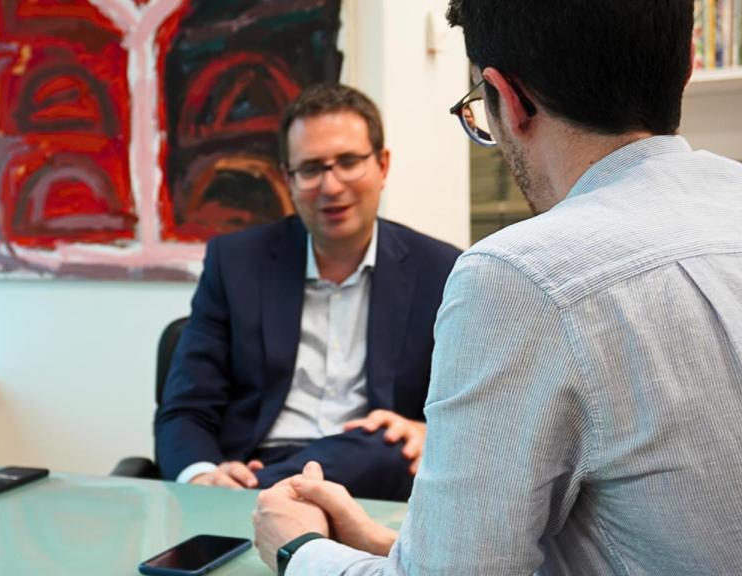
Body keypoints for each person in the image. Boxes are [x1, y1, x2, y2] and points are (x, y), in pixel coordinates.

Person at [253, 0, 742, 573]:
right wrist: (382, 541)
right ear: (685, 64)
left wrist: (299, 549)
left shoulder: (520, 277)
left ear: (509, 100)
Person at [154, 84, 460, 502]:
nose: (331, 187)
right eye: (311, 169)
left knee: (385, 445)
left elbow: (478, 410)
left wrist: (430, 433)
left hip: (369, 479)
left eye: (349, 162)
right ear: (288, 179)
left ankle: (271, 493)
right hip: (250, 465)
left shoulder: (442, 270)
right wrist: (203, 478)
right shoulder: (235, 263)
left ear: (382, 166)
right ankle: (272, 493)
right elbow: (185, 409)